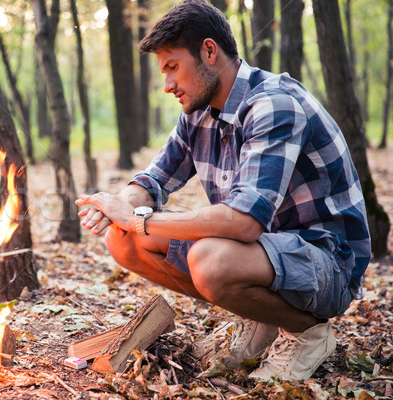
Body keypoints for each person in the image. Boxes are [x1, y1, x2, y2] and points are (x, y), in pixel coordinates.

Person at [76, 0, 371, 381]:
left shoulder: (273, 104)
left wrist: (139, 219)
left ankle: (306, 332)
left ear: (209, 52)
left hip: (327, 264)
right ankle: (262, 318)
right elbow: (154, 180)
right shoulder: (198, 112)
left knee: (210, 260)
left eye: (172, 68)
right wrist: (118, 206)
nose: (167, 85)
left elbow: (244, 223)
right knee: (122, 241)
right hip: (265, 255)